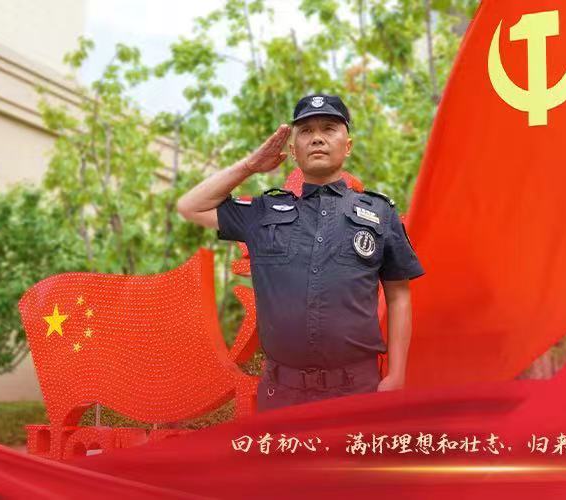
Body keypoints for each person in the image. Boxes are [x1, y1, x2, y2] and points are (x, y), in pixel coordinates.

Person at [177, 94, 424, 412]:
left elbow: (399, 295)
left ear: (347, 145)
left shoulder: (379, 213)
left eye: (329, 128)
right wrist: (250, 166)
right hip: (282, 393)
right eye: (306, 131)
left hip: (357, 388)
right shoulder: (263, 212)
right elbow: (190, 206)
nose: (317, 138)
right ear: (293, 151)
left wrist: (397, 374)